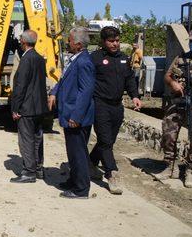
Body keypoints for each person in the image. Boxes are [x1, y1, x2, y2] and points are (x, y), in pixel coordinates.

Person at [89, 27, 142, 194]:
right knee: (105, 140)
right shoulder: (95, 58)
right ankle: (112, 174)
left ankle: (90, 163)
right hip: (100, 104)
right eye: (111, 41)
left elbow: (129, 80)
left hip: (117, 106)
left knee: (109, 140)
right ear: (103, 42)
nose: (115, 44)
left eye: (117, 41)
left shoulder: (124, 59)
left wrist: (134, 96)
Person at [156, 29, 192, 188]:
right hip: (178, 100)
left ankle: (190, 170)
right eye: (191, 41)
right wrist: (173, 83)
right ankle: (169, 167)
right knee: (169, 131)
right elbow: (167, 76)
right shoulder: (181, 58)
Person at [48, 27, 95, 199]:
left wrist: (76, 116)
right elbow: (63, 79)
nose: (67, 42)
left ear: (78, 44)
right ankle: (74, 180)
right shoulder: (75, 59)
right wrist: (54, 92)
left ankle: (81, 189)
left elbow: (86, 91)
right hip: (70, 113)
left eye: (69, 40)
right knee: (72, 152)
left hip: (77, 116)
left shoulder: (84, 62)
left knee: (78, 153)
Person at [9, 30, 48, 183]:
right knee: (38, 138)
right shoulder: (39, 58)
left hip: (26, 107)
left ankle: (29, 172)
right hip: (39, 107)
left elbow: (21, 85)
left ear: (23, 42)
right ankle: (38, 168)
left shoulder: (26, 59)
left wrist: (15, 108)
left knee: (26, 140)